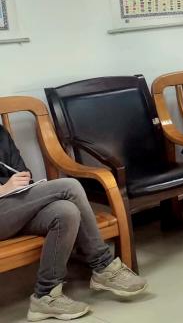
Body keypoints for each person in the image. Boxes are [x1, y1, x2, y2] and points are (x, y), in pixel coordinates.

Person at [1, 126, 147, 321]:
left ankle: (45, 296)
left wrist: (22, 180)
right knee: (70, 186)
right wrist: (3, 189)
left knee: (66, 212)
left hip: (13, 209)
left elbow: (21, 170)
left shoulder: (1, 133)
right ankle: (103, 265)